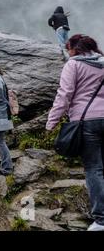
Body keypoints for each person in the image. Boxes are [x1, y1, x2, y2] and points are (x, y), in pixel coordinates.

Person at [46, 34, 104, 232]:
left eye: (68, 48)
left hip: (86, 122)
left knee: (94, 169)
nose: (67, 51)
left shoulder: (73, 64)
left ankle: (101, 220)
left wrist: (51, 122)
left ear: (74, 49)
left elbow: (64, 94)